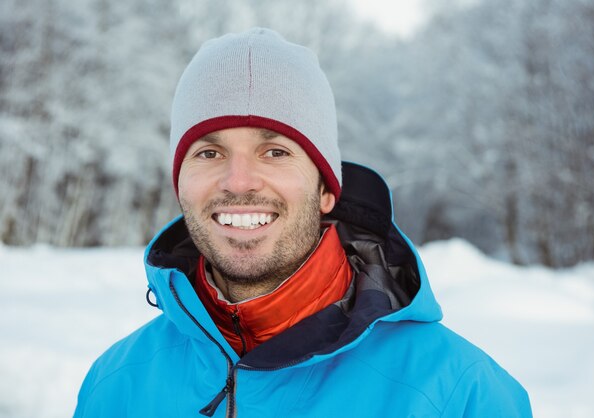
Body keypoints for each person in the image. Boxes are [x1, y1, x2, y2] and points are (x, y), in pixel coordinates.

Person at [74, 28, 532, 417]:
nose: (239, 181)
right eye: (209, 153)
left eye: (275, 152)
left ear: (326, 190)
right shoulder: (115, 386)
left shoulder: (458, 394)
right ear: (180, 184)